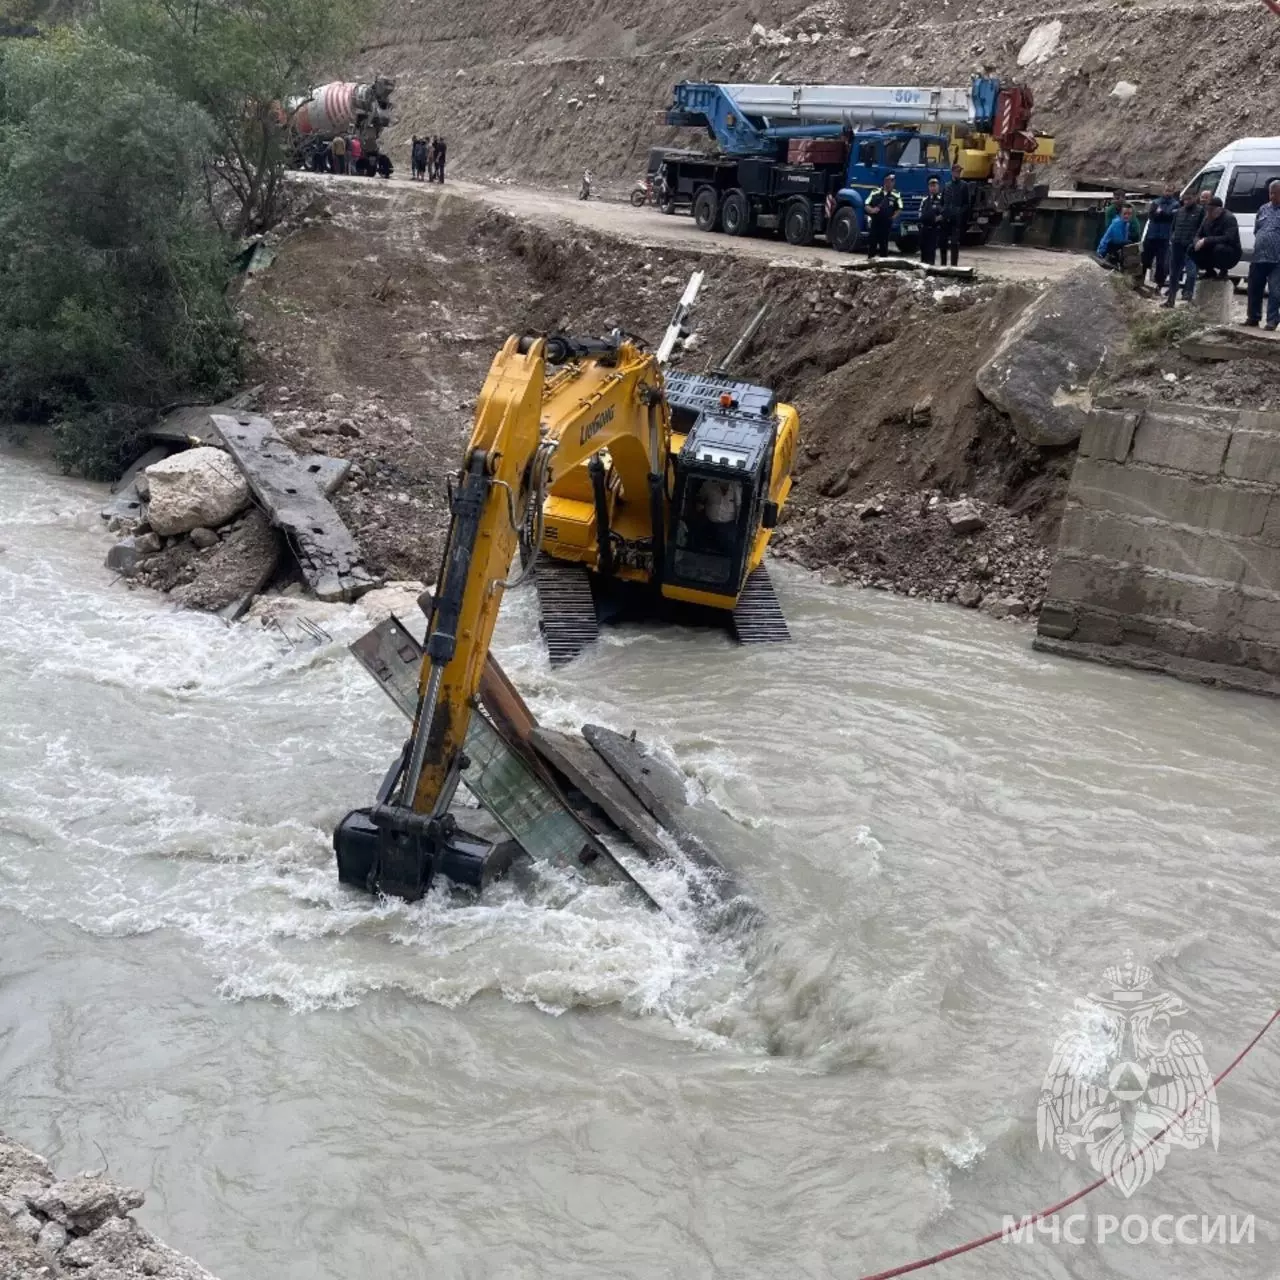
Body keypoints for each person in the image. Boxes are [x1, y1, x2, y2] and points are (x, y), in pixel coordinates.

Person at [1245, 179, 1280, 331]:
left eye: (1275, 193)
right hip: (1259, 256)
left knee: (1275, 291)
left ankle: (1272, 320)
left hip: (1277, 259)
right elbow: (1257, 230)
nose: (1272, 196)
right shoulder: (1263, 209)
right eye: (1271, 193)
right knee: (1254, 288)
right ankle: (1253, 317)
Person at [1163, 188, 1204, 307]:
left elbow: (1201, 229)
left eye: (1189, 199)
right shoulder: (1179, 211)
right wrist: (1172, 238)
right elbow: (1173, 227)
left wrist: (1195, 242)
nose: (1186, 202)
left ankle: (1188, 297)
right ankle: (1171, 300)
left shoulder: (1200, 211)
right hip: (1177, 245)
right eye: (1184, 199)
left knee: (1191, 273)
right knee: (1174, 274)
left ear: (1195, 198)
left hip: (1190, 247)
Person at [1192, 196, 1241, 280]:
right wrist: (1197, 242)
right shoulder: (1207, 218)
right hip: (1211, 249)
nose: (1209, 212)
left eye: (1211, 210)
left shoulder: (1229, 218)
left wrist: (1206, 240)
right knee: (1191, 248)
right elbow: (1198, 234)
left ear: (1219, 209)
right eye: (1207, 209)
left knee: (1219, 248)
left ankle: (1223, 272)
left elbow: (1228, 238)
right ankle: (1209, 271)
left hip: (1230, 251)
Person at [1142, 180, 1179, 289]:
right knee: (1145, 260)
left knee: (1161, 263)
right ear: (1163, 190)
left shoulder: (1175, 204)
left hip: (1164, 237)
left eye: (1170, 191)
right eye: (1166, 190)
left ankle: (1159, 284)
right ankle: (1141, 279)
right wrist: (1163, 214)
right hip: (1151, 235)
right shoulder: (1156, 202)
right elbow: (1152, 216)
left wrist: (1161, 213)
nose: (1168, 193)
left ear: (1173, 192)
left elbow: (1171, 217)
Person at [940, 163, 971, 266]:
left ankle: (954, 265)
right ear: (952, 172)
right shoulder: (947, 185)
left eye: (959, 172)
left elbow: (967, 203)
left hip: (956, 219)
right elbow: (942, 202)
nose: (958, 173)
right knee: (943, 243)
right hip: (946, 218)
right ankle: (943, 266)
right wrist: (943, 211)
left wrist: (960, 212)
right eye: (956, 171)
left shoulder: (964, 185)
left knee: (954, 243)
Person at [698, 479, 740, 555]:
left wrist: (737, 526)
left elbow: (739, 507)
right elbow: (700, 499)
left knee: (729, 549)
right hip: (709, 523)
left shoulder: (736, 487)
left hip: (728, 526)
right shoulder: (708, 485)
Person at [865, 173, 902, 259]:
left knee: (884, 245)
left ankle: (883, 265)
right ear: (885, 181)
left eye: (892, 181)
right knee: (872, 244)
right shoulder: (875, 192)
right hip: (875, 222)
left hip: (886, 224)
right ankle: (870, 262)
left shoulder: (896, 195)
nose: (891, 183)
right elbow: (866, 204)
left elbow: (900, 208)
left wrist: (894, 216)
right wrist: (872, 210)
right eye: (889, 181)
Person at [1095, 203, 1135, 269]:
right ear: (1120, 214)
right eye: (1125, 214)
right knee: (1128, 243)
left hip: (1114, 248)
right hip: (1104, 251)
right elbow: (1118, 241)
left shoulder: (1127, 224)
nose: (1127, 216)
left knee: (1129, 244)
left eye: (1129, 214)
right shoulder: (1117, 223)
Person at [918, 176, 944, 266]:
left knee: (931, 252)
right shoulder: (925, 200)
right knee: (923, 251)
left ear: (938, 186)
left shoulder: (942, 200)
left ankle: (930, 270)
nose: (933, 188)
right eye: (931, 186)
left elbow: (944, 214)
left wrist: (936, 219)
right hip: (924, 229)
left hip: (935, 230)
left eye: (935, 185)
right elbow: (921, 214)